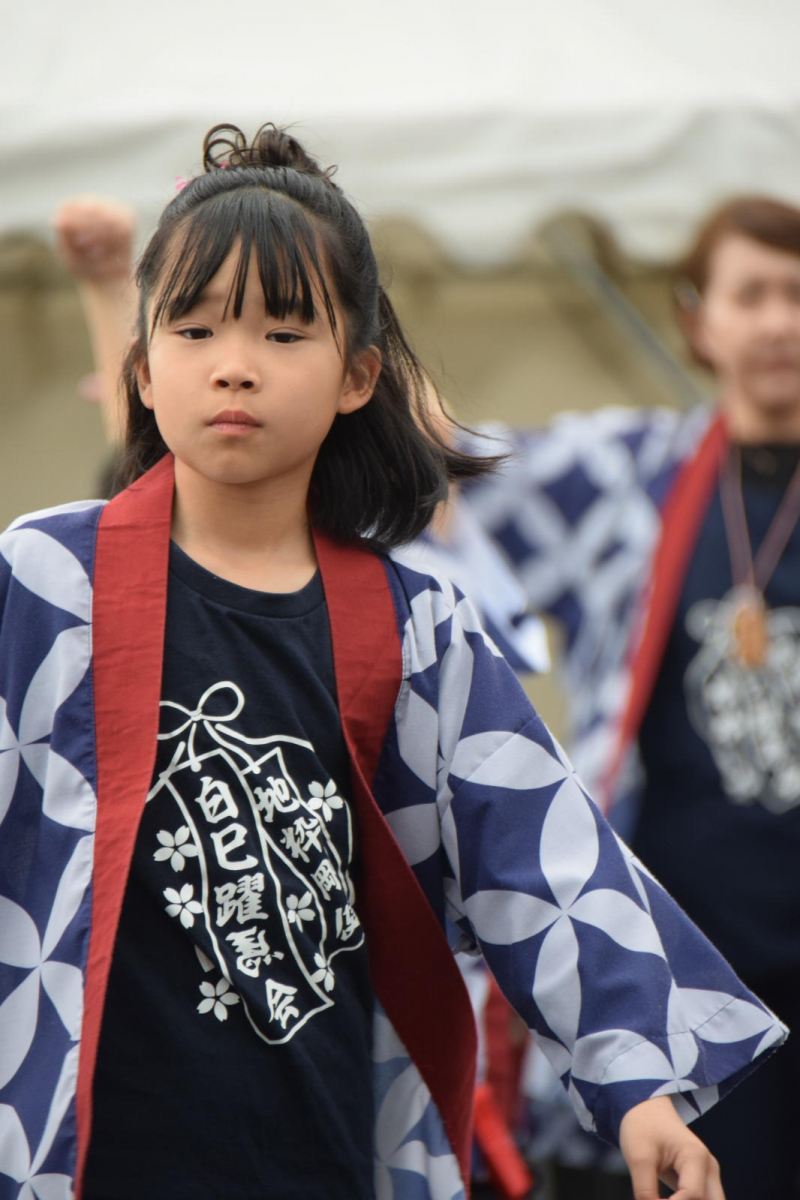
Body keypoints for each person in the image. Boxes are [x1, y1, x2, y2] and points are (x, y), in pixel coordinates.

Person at [0, 125, 785, 1200]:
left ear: (358, 375)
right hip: (85, 1147)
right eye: (193, 328)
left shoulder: (418, 622)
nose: (234, 363)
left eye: (284, 332)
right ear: (142, 366)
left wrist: (642, 1091)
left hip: (328, 1141)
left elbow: (543, 859)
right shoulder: (44, 581)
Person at [457, 196, 800, 1200]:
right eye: (750, 295)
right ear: (697, 319)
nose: (778, 321)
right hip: (694, 971)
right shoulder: (630, 477)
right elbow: (437, 461)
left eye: (796, 295)